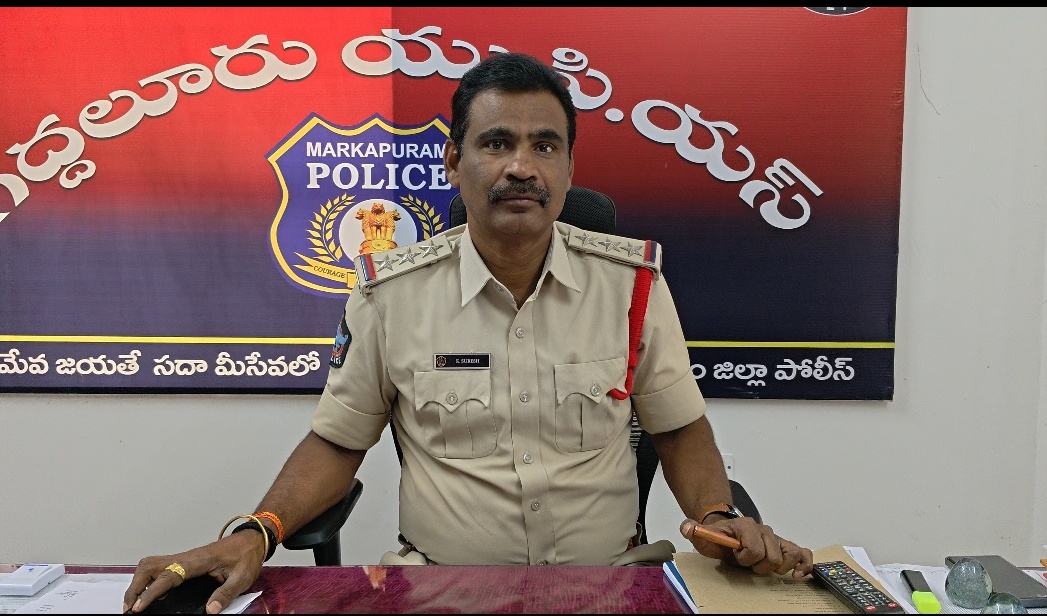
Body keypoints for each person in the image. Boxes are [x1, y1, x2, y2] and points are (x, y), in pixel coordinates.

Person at [123, 52, 814, 615]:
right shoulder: (390, 295)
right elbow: (338, 440)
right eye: (497, 143)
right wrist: (258, 532)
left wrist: (716, 514)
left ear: (568, 170)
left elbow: (679, 430)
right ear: (454, 162)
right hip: (442, 595)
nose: (522, 166)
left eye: (545, 146)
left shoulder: (630, 285)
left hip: (606, 590)